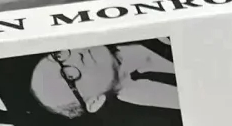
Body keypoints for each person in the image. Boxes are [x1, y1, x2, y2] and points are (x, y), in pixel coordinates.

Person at [30, 40, 179, 118]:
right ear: (95, 102)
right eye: (69, 77)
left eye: (58, 56)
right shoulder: (154, 122)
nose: (76, 57)